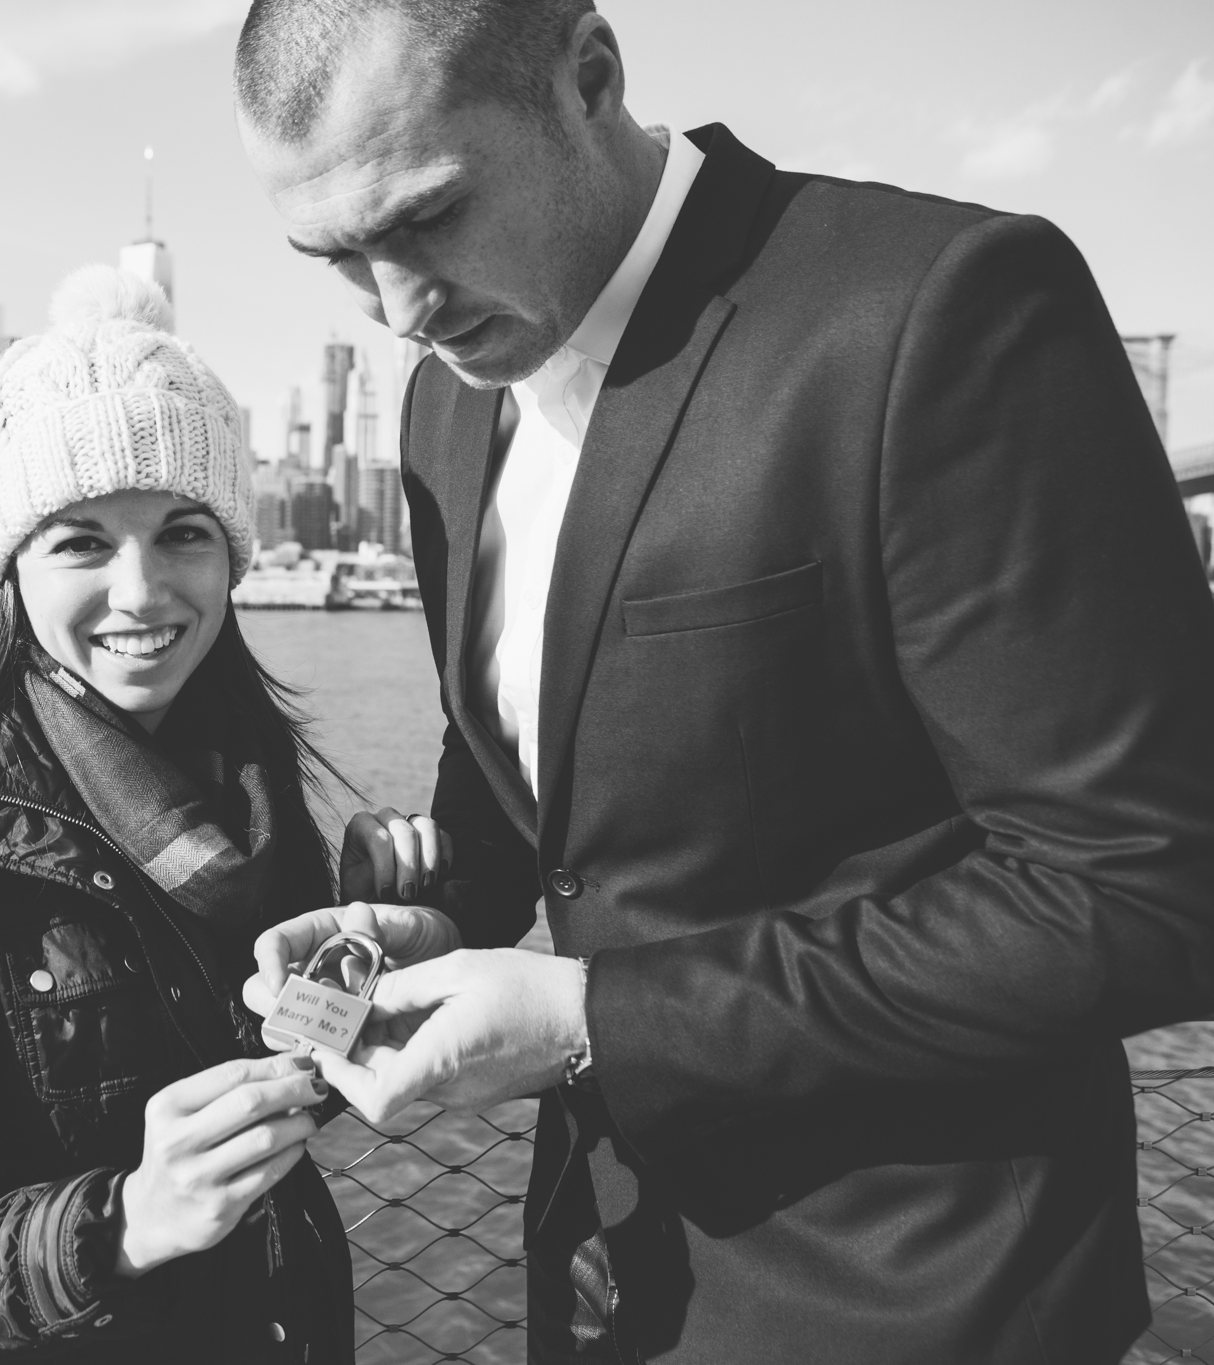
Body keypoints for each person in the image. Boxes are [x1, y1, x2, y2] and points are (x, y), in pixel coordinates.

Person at [232, 1, 1214, 1361]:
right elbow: (538, 773)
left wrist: (594, 1020)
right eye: (337, 257)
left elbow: (1149, 884)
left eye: (428, 218)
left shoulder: (937, 310)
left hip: (924, 1304)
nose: (398, 310)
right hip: (602, 1284)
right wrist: (432, 908)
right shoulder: (445, 402)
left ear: (589, 78)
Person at [0, 266, 356, 1364]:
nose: (142, 589)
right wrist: (124, 1222)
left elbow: (275, 1092)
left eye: (183, 532)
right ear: (11, 575)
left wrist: (372, 952)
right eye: (80, 542)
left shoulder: (246, 794)